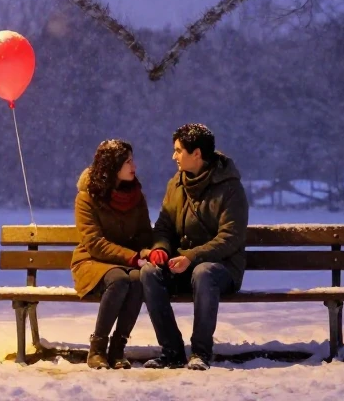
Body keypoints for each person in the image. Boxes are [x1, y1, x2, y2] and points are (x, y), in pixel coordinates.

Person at [141, 123, 248, 371]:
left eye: (178, 151)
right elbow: (164, 226)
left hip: (221, 268)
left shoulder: (230, 188)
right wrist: (161, 249)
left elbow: (230, 237)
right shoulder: (175, 184)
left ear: (197, 153)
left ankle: (201, 352)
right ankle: (171, 351)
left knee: (204, 272)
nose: (173, 156)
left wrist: (191, 256)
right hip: (182, 263)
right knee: (149, 273)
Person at [72, 139, 153, 369]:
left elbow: (144, 234)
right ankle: (97, 349)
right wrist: (133, 257)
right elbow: (95, 243)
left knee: (137, 279)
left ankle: (118, 349)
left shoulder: (136, 196)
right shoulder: (87, 197)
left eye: (132, 160)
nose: (134, 166)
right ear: (112, 165)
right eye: (128, 161)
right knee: (118, 279)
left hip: (127, 263)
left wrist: (148, 250)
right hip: (92, 262)